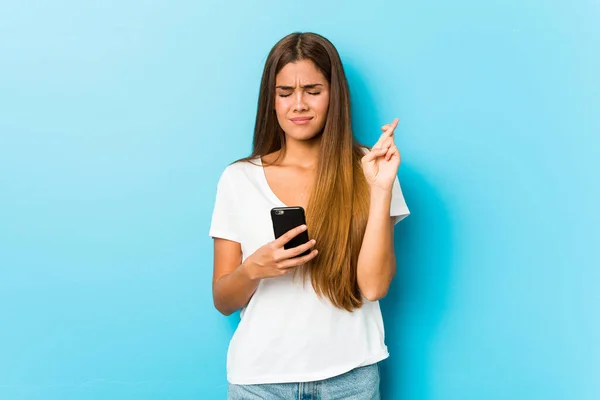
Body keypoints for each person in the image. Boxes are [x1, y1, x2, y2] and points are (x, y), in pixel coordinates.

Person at [209, 32, 410, 400]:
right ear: (271, 101)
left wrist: (380, 190)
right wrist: (255, 268)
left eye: (313, 91)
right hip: (260, 382)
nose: (298, 104)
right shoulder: (238, 179)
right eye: (285, 93)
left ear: (335, 95)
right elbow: (223, 300)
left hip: (351, 378)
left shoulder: (371, 169)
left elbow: (374, 287)